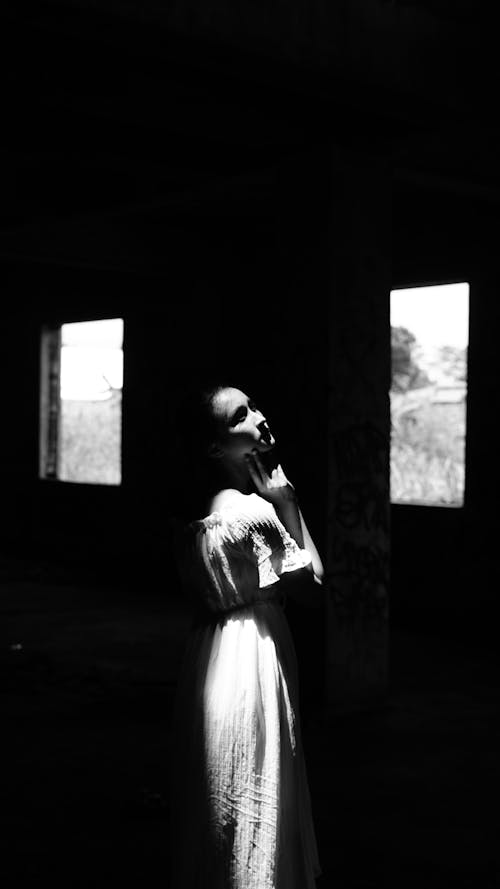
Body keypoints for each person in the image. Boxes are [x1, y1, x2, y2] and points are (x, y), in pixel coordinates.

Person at [168, 381, 324, 889]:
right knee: (257, 789)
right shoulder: (254, 513)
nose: (258, 414)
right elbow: (315, 588)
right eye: (240, 415)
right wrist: (287, 502)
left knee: (220, 796)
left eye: (255, 404)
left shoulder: (197, 517)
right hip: (253, 659)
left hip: (210, 658)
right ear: (217, 446)